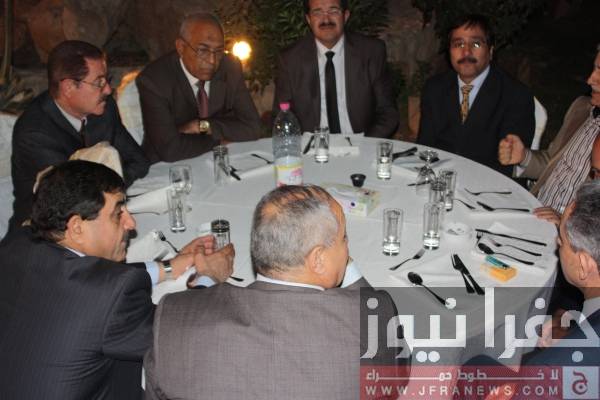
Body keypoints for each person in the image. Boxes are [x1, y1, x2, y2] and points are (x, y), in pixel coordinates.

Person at [144, 185, 409, 399]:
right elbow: (396, 382)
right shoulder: (367, 321)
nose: (347, 247)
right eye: (344, 239)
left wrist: (208, 280)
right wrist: (350, 273)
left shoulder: (173, 319)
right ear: (317, 259)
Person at [0, 161, 234, 400]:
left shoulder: (15, 246)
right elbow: (183, 334)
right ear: (77, 227)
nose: (131, 224)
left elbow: (86, 278)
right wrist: (209, 277)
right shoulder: (109, 297)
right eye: (117, 214)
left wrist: (168, 267)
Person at [11, 40, 150, 231]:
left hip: (96, 218)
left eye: (107, 79)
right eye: (99, 82)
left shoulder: (104, 108)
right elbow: (74, 200)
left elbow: (139, 162)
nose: (108, 90)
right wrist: (111, 180)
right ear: (68, 87)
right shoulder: (35, 134)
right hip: (46, 232)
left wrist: (107, 184)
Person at [418, 14, 535, 176]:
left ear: (491, 51)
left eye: (476, 43)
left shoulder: (516, 95)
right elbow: (425, 147)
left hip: (488, 182)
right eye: (458, 44)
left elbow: (508, 160)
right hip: (438, 178)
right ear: (449, 52)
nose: (466, 51)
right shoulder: (434, 88)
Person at [136, 12, 261, 163]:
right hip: (167, 166)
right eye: (203, 50)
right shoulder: (154, 80)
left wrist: (203, 126)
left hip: (217, 160)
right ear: (181, 47)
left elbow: (253, 128)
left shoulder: (229, 67)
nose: (212, 61)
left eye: (218, 51)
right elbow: (170, 149)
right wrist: (219, 142)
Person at [498, 44, 600, 215]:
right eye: (594, 68)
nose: (590, 79)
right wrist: (523, 156)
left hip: (573, 229)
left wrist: (565, 221)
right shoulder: (582, 108)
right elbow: (552, 162)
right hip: (534, 208)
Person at [273, 0, 399, 137]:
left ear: (345, 16)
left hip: (361, 142)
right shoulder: (290, 59)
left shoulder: (371, 52)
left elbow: (388, 113)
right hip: (311, 145)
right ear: (308, 19)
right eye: (317, 12)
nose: (326, 19)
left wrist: (365, 145)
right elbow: (282, 114)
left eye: (333, 11)